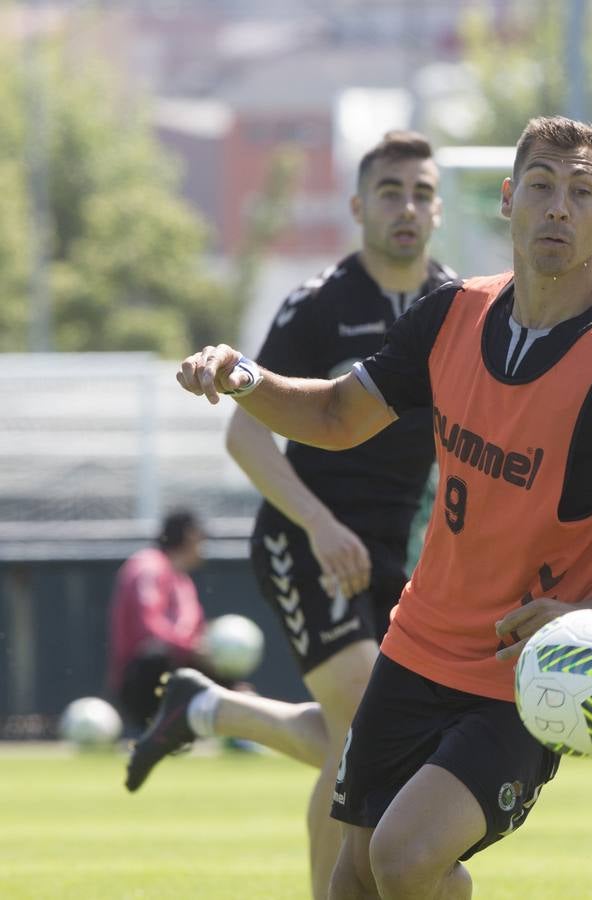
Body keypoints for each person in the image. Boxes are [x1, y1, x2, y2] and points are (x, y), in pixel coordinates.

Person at [175, 116, 592, 900]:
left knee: (405, 857)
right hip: (414, 647)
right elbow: (338, 417)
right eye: (543, 187)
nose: (559, 207)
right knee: (351, 881)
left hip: (528, 679)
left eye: (581, 192)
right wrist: (249, 377)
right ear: (509, 200)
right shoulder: (451, 313)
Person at [127, 130, 457, 900]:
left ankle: (210, 709)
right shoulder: (319, 305)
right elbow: (246, 433)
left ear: (439, 208)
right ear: (357, 207)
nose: (406, 207)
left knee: (377, 737)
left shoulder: (455, 309)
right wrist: (318, 523)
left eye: (420, 193)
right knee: (364, 728)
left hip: (388, 554)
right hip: (304, 536)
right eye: (389, 192)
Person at [106, 509, 209, 731]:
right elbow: (149, 626)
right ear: (190, 536)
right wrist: (191, 648)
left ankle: (239, 727)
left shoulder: (182, 580)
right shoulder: (148, 566)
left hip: (179, 672)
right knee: (157, 654)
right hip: (140, 681)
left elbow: (194, 634)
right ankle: (158, 729)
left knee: (223, 655)